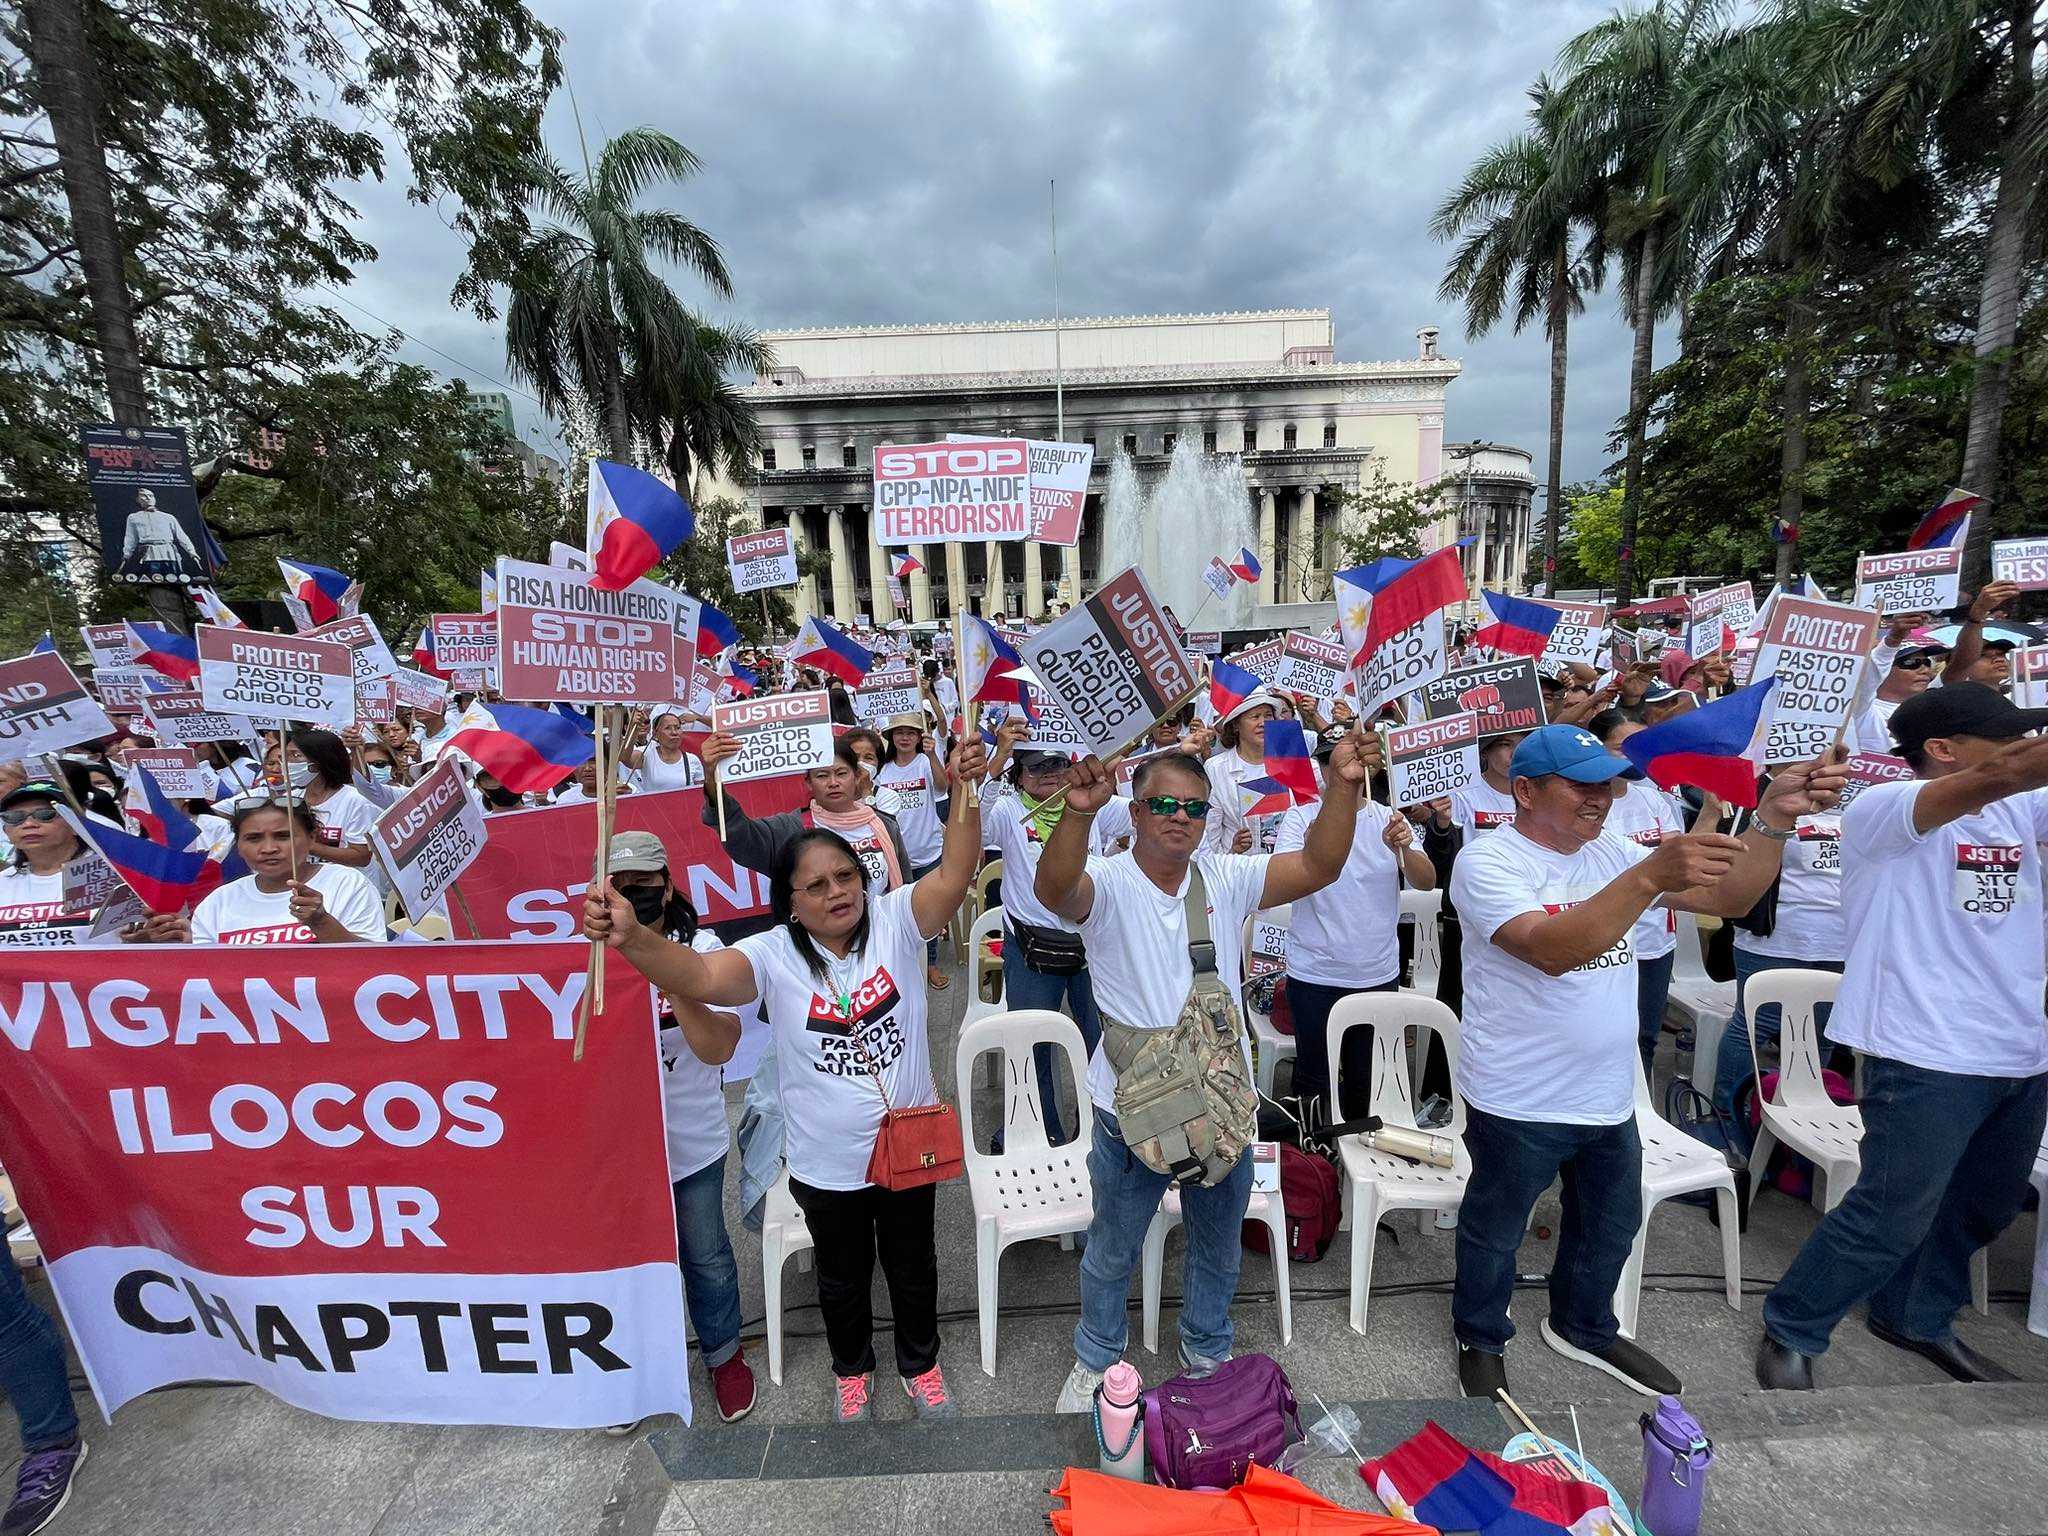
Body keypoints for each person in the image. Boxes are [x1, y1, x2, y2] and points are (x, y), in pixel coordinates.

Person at [586, 737, 988, 1425]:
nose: (838, 892)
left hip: (908, 1146)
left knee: (915, 1265)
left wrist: (968, 792)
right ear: (791, 904)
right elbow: (699, 978)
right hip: (826, 1162)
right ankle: (851, 1371)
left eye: (846, 877)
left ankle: (920, 1364)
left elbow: (954, 873)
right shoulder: (770, 955)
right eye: (817, 885)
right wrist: (632, 938)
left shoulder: (896, 921)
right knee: (841, 1276)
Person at [1448, 723, 1842, 1401]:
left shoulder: (1614, 855)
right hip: (1518, 1095)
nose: (1601, 797)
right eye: (1582, 785)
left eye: (1608, 783)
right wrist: (1648, 876)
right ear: (1525, 790)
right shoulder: (1488, 863)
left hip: (1608, 1091)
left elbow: (1732, 899)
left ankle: (1584, 1327)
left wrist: (1773, 818)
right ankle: (1480, 1335)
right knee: (1496, 1229)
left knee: (1610, 1224)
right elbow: (1551, 949)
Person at [1036, 734, 1375, 1412]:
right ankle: (1096, 1356)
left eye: (1193, 808)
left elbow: (1318, 864)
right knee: (1112, 1248)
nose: (1179, 817)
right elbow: (1056, 890)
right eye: (1162, 803)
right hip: (1130, 1107)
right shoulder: (1107, 882)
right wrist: (1074, 813)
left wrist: (1341, 785)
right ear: (1133, 812)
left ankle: (1206, 1351)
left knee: (1218, 1247)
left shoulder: (1223, 875)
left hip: (1222, 1104)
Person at [1758, 684, 2048, 1391]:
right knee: (1890, 1212)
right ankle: (1794, 1325)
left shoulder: (2020, 807)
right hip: (1923, 1047)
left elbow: (2012, 778)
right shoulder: (1885, 810)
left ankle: (1915, 1315)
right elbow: (2004, 771)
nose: (2019, 745)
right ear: (1942, 750)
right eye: (2003, 734)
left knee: (1988, 1203)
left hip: (2022, 1045)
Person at [599, 831, 757, 1425]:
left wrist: (676, 987)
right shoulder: (583, 957)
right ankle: (639, 1370)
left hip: (691, 1139)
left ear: (667, 885)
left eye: (643, 883)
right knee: (633, 1264)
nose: (632, 894)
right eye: (619, 885)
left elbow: (720, 1047)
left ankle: (723, 1356)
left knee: (707, 1256)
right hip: (618, 1147)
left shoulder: (703, 949)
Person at [979, 721, 1134, 1143]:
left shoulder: (1093, 805)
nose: (1048, 772)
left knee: (1102, 1044)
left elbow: (1141, 812)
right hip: (1032, 951)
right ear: (1018, 775)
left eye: (1057, 763)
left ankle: (1099, 1131)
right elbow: (975, 823)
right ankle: (1046, 1132)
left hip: (1092, 949)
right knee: (1034, 1049)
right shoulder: (1010, 810)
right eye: (1035, 767)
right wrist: (996, 760)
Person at [1275, 751, 1436, 1128]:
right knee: (1314, 1079)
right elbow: (1284, 882)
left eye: (1351, 763)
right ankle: (1314, 1162)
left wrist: (1405, 848)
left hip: (1375, 974)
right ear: (1324, 769)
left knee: (1369, 1080)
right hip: (1314, 973)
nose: (1343, 770)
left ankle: (1358, 1168)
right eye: (1331, 762)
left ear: (1369, 769)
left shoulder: (1389, 817)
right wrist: (1311, 846)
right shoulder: (1301, 816)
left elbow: (1426, 882)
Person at [1590, 711, 1685, 1079]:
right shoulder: (1583, 807)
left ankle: (1641, 1115)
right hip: (1604, 943)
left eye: (1642, 747)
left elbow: (1678, 868)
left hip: (1653, 941)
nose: (1634, 757)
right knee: (1601, 1038)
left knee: (1645, 1036)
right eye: (1623, 748)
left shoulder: (1655, 802)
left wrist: (1709, 813)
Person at [701, 734, 910, 899]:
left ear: (857, 776)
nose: (833, 782)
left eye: (841, 773)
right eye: (822, 775)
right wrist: (712, 778)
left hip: (882, 944)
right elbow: (742, 839)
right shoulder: (790, 829)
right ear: (808, 782)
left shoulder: (884, 825)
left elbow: (904, 889)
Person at [185, 799, 386, 944]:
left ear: (312, 838)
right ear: (238, 844)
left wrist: (322, 922)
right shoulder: (217, 902)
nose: (268, 848)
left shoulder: (348, 884)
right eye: (254, 838)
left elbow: (374, 965)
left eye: (283, 836)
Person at [875, 716, 951, 990]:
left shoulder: (924, 762)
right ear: (891, 737)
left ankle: (930, 964)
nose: (905, 738)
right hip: (896, 858)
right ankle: (906, 965)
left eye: (911, 733)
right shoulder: (882, 771)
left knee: (927, 914)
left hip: (929, 851)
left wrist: (932, 756)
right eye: (899, 733)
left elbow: (943, 787)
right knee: (901, 915)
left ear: (919, 737)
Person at [0, 778, 94, 947]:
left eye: (45, 815)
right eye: (14, 817)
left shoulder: (116, 876)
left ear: (76, 824)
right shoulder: (2, 882)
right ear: (6, 831)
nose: (28, 824)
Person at [268, 731, 377, 873]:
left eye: (295, 755)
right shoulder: (290, 799)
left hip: (345, 887)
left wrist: (307, 845)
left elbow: (361, 857)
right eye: (284, 756)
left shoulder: (356, 801)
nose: (287, 763)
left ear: (319, 762)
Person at [1203, 692, 1286, 853]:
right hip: (1239, 871)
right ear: (1236, 725)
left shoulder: (1294, 761)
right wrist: (1232, 852)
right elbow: (1209, 835)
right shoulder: (1215, 768)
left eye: (1268, 716)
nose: (1263, 723)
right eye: (1255, 717)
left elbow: (1308, 815)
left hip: (1289, 868)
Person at [116, 486, 201, 580]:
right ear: (137, 500)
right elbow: (131, 538)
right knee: (153, 578)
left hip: (168, 553)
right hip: (148, 554)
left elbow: (181, 536)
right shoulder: (133, 517)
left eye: (151, 495)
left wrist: (191, 552)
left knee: (173, 579)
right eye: (144, 496)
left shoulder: (168, 517)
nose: (148, 498)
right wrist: (127, 554)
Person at [626, 707, 704, 793]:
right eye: (667, 728)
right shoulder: (647, 755)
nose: (674, 732)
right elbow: (626, 759)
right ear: (655, 734)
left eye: (677, 728)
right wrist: (633, 729)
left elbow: (699, 795)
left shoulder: (692, 760)